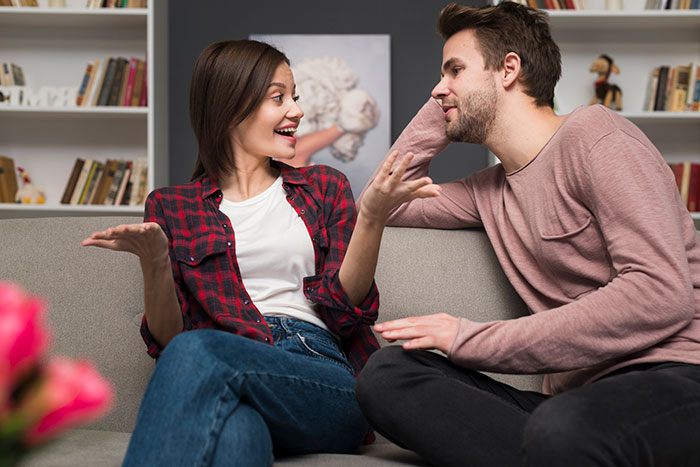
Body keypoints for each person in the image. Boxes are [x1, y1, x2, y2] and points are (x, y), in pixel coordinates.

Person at [354, 2, 700, 466]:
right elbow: (383, 201)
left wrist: (468, 338)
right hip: (576, 408)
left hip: (674, 377)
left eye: (455, 69)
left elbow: (661, 293)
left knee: (562, 428)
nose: (436, 89)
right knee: (387, 375)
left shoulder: (596, 136)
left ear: (508, 69)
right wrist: (448, 104)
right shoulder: (486, 191)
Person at [81, 39, 439, 467]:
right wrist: (155, 260)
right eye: (278, 98)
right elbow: (168, 339)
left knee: (196, 352)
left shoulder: (324, 186)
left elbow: (345, 310)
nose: (297, 111)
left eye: (295, 97)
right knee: (237, 432)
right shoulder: (172, 206)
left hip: (317, 373)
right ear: (232, 108)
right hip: (227, 365)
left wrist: (373, 217)